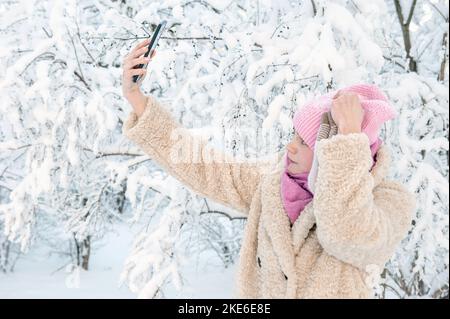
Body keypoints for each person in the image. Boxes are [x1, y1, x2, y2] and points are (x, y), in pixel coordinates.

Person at [121, 39, 415, 298]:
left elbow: (345, 234)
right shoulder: (275, 184)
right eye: (293, 136)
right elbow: (205, 167)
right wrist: (138, 101)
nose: (290, 148)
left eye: (304, 142)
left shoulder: (389, 201)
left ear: (333, 147)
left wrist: (350, 135)